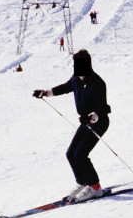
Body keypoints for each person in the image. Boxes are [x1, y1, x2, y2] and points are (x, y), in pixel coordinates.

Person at [32, 50, 111, 203]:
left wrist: (92, 117)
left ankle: (95, 188)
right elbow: (64, 87)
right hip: (86, 122)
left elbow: (102, 108)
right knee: (71, 154)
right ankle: (83, 183)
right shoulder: (76, 79)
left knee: (81, 154)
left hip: (99, 122)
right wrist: (44, 93)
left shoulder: (97, 82)